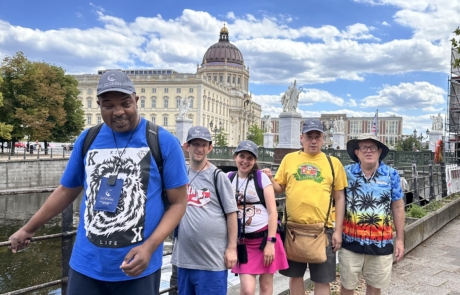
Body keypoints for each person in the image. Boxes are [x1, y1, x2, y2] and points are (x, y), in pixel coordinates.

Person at [8, 70, 188, 295]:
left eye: (125, 103)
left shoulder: (163, 142)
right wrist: (28, 228)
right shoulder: (87, 139)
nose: (118, 112)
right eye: (108, 105)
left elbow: (179, 203)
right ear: (99, 105)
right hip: (86, 267)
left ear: (136, 100)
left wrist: (149, 248)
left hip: (138, 268)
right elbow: (66, 190)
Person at [263, 118, 346, 295]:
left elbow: (339, 198)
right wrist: (270, 179)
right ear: (302, 138)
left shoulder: (333, 163)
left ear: (323, 139)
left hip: (323, 230)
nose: (313, 141)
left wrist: (338, 231)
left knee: (322, 279)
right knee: (295, 276)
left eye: (317, 136)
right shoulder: (289, 159)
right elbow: (279, 188)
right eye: (309, 136)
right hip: (293, 229)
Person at [171, 126, 238, 295]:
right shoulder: (180, 174)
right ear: (187, 146)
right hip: (184, 260)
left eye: (203, 145)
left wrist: (231, 248)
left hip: (211, 261)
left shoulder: (218, 177)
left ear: (210, 148)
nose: (199, 149)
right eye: (195, 144)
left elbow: (232, 214)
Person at [340, 133, 405, 295]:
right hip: (350, 242)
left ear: (379, 151)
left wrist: (400, 240)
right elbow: (335, 200)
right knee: (347, 286)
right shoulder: (345, 173)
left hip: (381, 243)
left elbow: (398, 207)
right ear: (357, 152)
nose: (368, 151)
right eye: (364, 147)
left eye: (373, 148)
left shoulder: (391, 174)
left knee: (375, 287)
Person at [229, 140, 288, 295]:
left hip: (264, 240)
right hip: (243, 243)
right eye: (242, 156)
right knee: (247, 290)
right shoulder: (228, 178)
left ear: (254, 161)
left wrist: (270, 243)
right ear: (235, 156)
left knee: (266, 287)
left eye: (250, 158)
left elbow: (272, 213)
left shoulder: (261, 178)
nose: (245, 161)